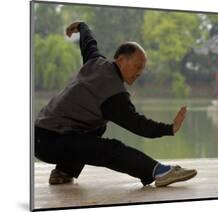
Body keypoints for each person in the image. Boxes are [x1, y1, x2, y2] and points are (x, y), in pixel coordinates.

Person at [34, 21, 197, 187]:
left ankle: (63, 172)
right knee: (111, 149)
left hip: (40, 135)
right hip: (51, 141)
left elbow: (89, 43)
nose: (140, 73)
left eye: (142, 68)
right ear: (120, 60)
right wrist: (169, 128)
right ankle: (160, 171)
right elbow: (138, 125)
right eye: (137, 67)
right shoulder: (113, 93)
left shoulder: (95, 61)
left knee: (98, 127)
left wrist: (82, 27)